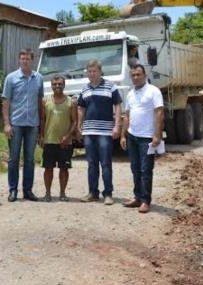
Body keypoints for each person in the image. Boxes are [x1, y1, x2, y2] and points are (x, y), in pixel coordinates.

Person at [77, 59, 122, 205]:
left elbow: (118, 106)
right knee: (91, 164)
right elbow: (81, 108)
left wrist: (117, 126)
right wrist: (79, 125)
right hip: (89, 131)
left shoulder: (110, 86)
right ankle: (93, 193)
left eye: (94, 71)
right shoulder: (85, 89)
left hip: (105, 132)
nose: (91, 74)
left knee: (106, 163)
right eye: (89, 71)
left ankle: (108, 194)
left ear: (100, 71)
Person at [120, 64, 164, 213]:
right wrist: (123, 135)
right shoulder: (130, 93)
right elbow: (127, 115)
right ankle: (137, 197)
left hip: (147, 138)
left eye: (139, 74)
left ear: (144, 75)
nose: (136, 77)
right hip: (132, 137)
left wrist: (157, 135)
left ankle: (146, 200)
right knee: (135, 169)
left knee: (146, 170)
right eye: (133, 75)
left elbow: (159, 113)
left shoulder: (153, 91)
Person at [2, 48, 44, 202]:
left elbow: (40, 103)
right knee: (13, 158)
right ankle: (13, 190)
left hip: (32, 124)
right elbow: (5, 102)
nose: (25, 61)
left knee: (30, 159)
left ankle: (28, 190)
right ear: (19, 60)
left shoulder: (39, 78)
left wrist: (41, 126)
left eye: (28, 58)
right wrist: (6, 123)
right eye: (22, 58)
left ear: (32, 60)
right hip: (16, 124)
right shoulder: (11, 78)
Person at [39, 75, 77, 202]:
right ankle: (48, 193)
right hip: (49, 140)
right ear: (51, 86)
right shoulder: (45, 101)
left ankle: (62, 193)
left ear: (64, 85)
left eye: (60, 84)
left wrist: (68, 136)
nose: (57, 86)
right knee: (48, 168)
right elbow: (42, 120)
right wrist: (41, 136)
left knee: (64, 168)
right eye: (55, 84)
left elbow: (75, 122)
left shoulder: (71, 102)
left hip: (65, 142)